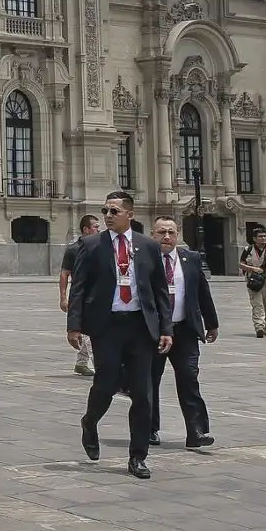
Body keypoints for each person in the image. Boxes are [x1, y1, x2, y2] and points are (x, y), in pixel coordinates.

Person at [68, 190, 171, 480]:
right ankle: (90, 422)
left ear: (130, 214)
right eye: (105, 211)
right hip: (107, 326)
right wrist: (74, 325)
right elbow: (79, 287)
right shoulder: (91, 245)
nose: (108, 216)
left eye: (114, 211)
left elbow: (160, 291)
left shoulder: (148, 246)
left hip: (140, 326)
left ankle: (138, 456)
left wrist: (166, 329)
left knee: (143, 393)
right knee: (106, 383)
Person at [148, 217, 217, 450]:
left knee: (189, 379)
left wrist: (212, 323)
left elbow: (202, 292)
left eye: (171, 232)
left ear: (178, 235)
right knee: (149, 381)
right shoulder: (145, 259)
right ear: (152, 235)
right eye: (161, 232)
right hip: (154, 333)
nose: (166, 237)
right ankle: (150, 428)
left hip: (185, 330)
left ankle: (196, 431)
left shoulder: (191, 258)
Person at [61, 214, 101, 376]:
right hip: (82, 296)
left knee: (91, 330)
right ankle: (101, 367)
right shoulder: (73, 249)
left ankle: (81, 362)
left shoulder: (100, 247)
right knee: (90, 332)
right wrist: (63, 297)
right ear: (86, 229)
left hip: (98, 294)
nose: (99, 230)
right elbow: (64, 274)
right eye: (95, 227)